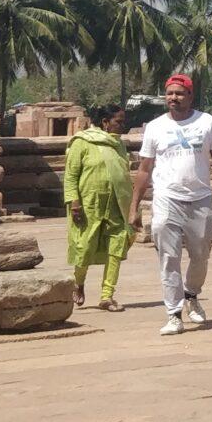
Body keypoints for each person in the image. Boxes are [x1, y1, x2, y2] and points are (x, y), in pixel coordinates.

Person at [133, 73, 212, 337]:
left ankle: (191, 294)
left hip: (200, 198)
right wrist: (133, 206)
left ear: (190, 96)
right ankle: (173, 314)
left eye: (180, 93)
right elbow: (145, 169)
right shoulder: (155, 127)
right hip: (167, 198)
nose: (174, 98)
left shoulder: (206, 122)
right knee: (169, 258)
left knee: (200, 255)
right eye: (170, 93)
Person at [63, 103, 134, 311]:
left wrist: (132, 208)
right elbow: (71, 175)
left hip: (116, 205)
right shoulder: (82, 142)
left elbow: (123, 174)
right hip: (88, 204)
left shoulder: (118, 145)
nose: (122, 126)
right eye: (118, 122)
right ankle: (78, 282)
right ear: (105, 122)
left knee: (117, 247)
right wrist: (73, 201)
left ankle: (107, 296)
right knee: (84, 247)